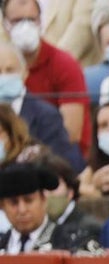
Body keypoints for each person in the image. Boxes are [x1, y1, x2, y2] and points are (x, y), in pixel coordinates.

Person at [2, 0, 91, 157]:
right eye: (17, 21)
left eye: (31, 20)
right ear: (5, 24)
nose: (25, 27)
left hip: (55, 156)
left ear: (41, 21)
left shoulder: (64, 64)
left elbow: (70, 134)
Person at [0, 41, 83, 171]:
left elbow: (63, 165)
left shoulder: (47, 116)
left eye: (10, 70)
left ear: (24, 73)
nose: (3, 77)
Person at [38, 152, 105, 252]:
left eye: (52, 186)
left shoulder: (89, 228)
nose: (46, 194)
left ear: (70, 191)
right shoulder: (36, 228)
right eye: (41, 187)